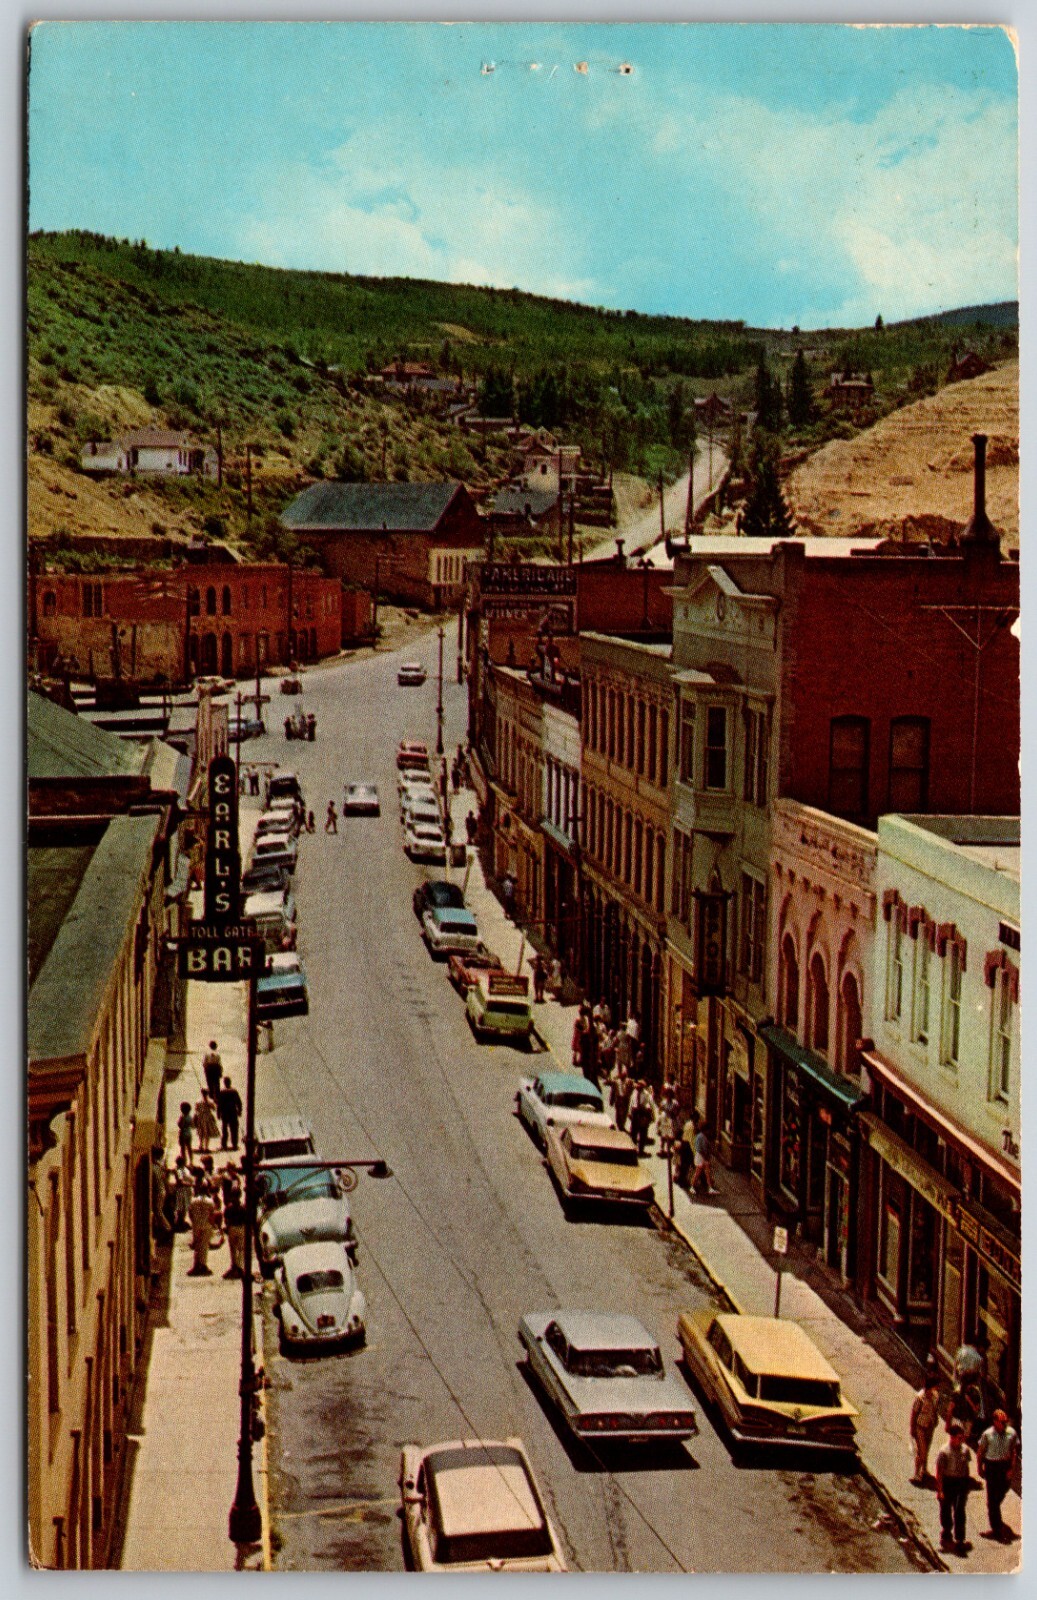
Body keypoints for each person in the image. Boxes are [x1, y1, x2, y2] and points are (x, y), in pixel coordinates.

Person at [977, 1409, 1019, 1541]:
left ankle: (997, 1523)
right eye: (1002, 1421)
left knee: (1000, 1495)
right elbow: (980, 1453)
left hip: (1004, 1467)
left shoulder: (1011, 1433)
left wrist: (1011, 1469)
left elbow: (1014, 1452)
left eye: (1005, 1421)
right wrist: (979, 1468)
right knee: (993, 1502)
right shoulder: (987, 1434)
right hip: (991, 1467)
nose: (1005, 1424)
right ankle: (996, 1529)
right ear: (995, 1421)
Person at [935, 1421, 973, 1555]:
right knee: (946, 1509)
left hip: (961, 1483)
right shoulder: (944, 1452)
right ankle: (946, 1532)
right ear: (952, 1437)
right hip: (947, 1482)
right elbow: (939, 1473)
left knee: (960, 1511)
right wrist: (940, 1491)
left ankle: (960, 1539)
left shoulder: (965, 1450)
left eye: (962, 1438)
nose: (961, 1440)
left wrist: (967, 1485)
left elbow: (966, 1468)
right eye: (959, 1438)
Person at [909, 1375, 943, 1485]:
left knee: (926, 1450)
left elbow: (935, 1409)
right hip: (920, 1427)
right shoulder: (920, 1397)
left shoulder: (935, 1396)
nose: (937, 1388)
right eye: (935, 1386)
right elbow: (914, 1413)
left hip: (930, 1427)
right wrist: (912, 1429)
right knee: (921, 1452)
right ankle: (916, 1474)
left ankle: (924, 1470)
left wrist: (935, 1420)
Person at [187, 1179, 216, 1277]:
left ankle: (197, 1264)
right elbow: (212, 1215)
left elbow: (190, 1213)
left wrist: (194, 1221)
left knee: (197, 1245)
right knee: (204, 1246)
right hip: (206, 1224)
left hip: (196, 1225)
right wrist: (213, 1225)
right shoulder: (210, 1201)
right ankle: (203, 1265)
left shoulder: (193, 1200)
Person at [223, 1182, 248, 1281]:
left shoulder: (229, 1207)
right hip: (241, 1228)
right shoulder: (242, 1207)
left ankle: (235, 1266)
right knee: (241, 1249)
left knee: (233, 1249)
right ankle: (239, 1267)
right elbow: (246, 1219)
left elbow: (226, 1219)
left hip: (232, 1228)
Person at [628, 1080, 655, 1154]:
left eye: (640, 1086)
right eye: (637, 1086)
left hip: (643, 1113)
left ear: (643, 1087)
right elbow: (631, 1102)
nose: (638, 1088)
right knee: (633, 1131)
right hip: (635, 1112)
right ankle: (632, 1148)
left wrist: (652, 1116)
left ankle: (641, 1150)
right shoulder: (634, 1092)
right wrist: (629, 1112)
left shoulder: (646, 1094)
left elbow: (651, 1104)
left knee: (643, 1132)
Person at [218, 1076, 243, 1150]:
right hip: (233, 1112)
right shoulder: (234, 1091)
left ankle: (224, 1145)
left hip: (225, 1113)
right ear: (230, 1082)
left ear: (224, 1083)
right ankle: (234, 1144)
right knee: (234, 1129)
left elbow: (219, 1104)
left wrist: (218, 1113)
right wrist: (239, 1111)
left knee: (224, 1130)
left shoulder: (222, 1091)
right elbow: (239, 1102)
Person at [656, 1084, 680, 1159]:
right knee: (663, 1135)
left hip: (672, 1120)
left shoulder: (675, 1102)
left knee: (671, 1136)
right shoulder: (663, 1102)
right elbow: (660, 1110)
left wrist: (673, 1113)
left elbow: (677, 1112)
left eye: (670, 1094)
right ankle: (662, 1149)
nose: (668, 1095)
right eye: (667, 1094)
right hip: (665, 1120)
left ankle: (669, 1150)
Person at [610, 1063, 633, 1133]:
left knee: (624, 1113)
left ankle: (622, 1125)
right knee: (618, 1113)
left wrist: (629, 1095)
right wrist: (611, 1100)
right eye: (622, 1075)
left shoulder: (629, 1082)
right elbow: (613, 1092)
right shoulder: (616, 1082)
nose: (623, 1076)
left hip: (625, 1099)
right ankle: (619, 1124)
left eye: (625, 1075)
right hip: (618, 1099)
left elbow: (631, 1089)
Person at [677, 1114, 697, 1188]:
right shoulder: (692, 1127)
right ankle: (682, 1181)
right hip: (687, 1146)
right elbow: (691, 1140)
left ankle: (680, 1179)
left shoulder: (687, 1123)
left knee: (683, 1165)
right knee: (686, 1165)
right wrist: (694, 1152)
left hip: (683, 1144)